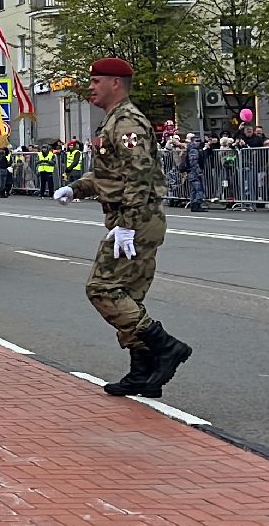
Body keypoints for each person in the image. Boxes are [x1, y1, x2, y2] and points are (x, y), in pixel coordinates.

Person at [53, 57, 193, 399]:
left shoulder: (126, 122)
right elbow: (110, 175)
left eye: (96, 81)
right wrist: (77, 187)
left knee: (102, 288)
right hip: (135, 219)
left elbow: (139, 176)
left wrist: (127, 225)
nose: (91, 87)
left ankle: (166, 346)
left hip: (135, 221)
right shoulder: (114, 121)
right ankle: (143, 374)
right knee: (127, 296)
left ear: (115, 83)